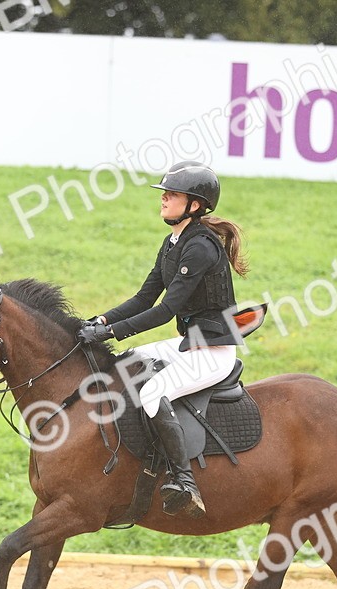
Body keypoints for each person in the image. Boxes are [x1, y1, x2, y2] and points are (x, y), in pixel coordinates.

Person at [77, 161, 250, 519]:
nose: (164, 199)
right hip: (190, 343)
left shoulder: (200, 247)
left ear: (195, 205)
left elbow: (167, 309)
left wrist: (108, 333)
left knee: (152, 391)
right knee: (127, 361)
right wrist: (101, 320)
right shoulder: (173, 242)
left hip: (213, 350)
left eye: (173, 194)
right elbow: (144, 299)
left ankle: (185, 482)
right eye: (165, 193)